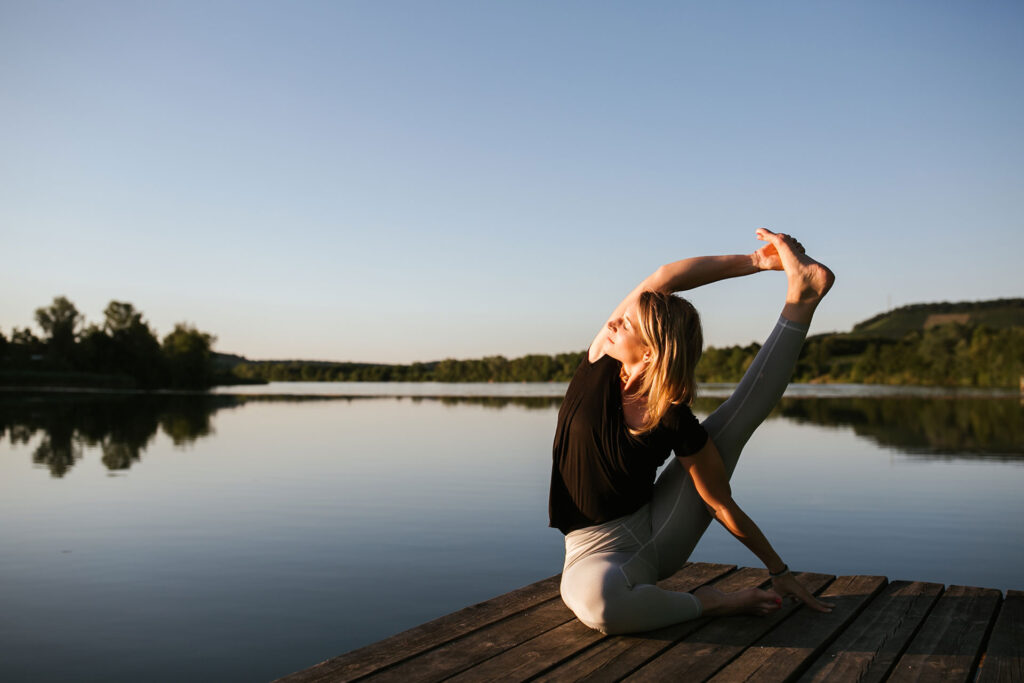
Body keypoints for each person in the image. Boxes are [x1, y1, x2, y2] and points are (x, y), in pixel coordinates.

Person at [548, 228, 836, 635]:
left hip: (656, 537)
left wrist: (778, 569)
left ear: (648, 352)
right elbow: (664, 277)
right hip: (590, 550)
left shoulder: (670, 416)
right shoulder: (599, 364)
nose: (613, 320)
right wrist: (756, 262)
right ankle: (708, 602)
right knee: (597, 598)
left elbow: (719, 504)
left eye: (627, 323)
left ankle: (802, 298)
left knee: (601, 608)